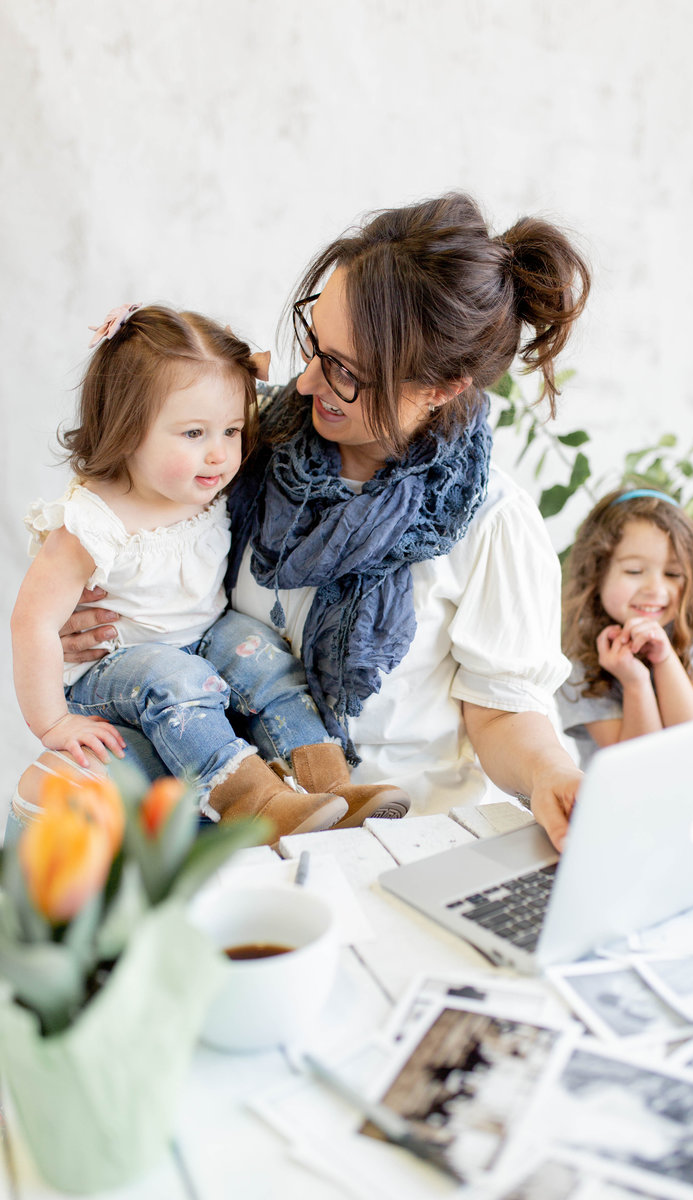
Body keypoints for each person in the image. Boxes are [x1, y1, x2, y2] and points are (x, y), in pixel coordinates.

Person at [46, 192, 591, 851]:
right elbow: (123, 500)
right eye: (314, 345)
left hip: (393, 850)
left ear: (442, 387)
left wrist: (553, 775)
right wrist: (94, 615)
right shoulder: (244, 442)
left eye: (345, 373)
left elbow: (503, 717)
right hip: (216, 834)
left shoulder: (493, 524)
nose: (304, 383)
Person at [11, 303, 409, 844]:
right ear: (125, 430)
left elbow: (271, 373)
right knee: (175, 680)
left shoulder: (206, 484)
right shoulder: (92, 523)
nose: (220, 454)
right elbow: (31, 622)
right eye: (194, 433)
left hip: (202, 637)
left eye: (231, 430)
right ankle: (253, 800)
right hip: (116, 670)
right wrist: (52, 722)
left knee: (264, 653)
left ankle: (329, 784)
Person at [558, 487, 693, 768]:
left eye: (673, 574)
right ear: (597, 573)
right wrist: (635, 682)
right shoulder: (578, 659)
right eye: (634, 571)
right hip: (618, 806)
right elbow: (639, 767)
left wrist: (665, 658)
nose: (656, 589)